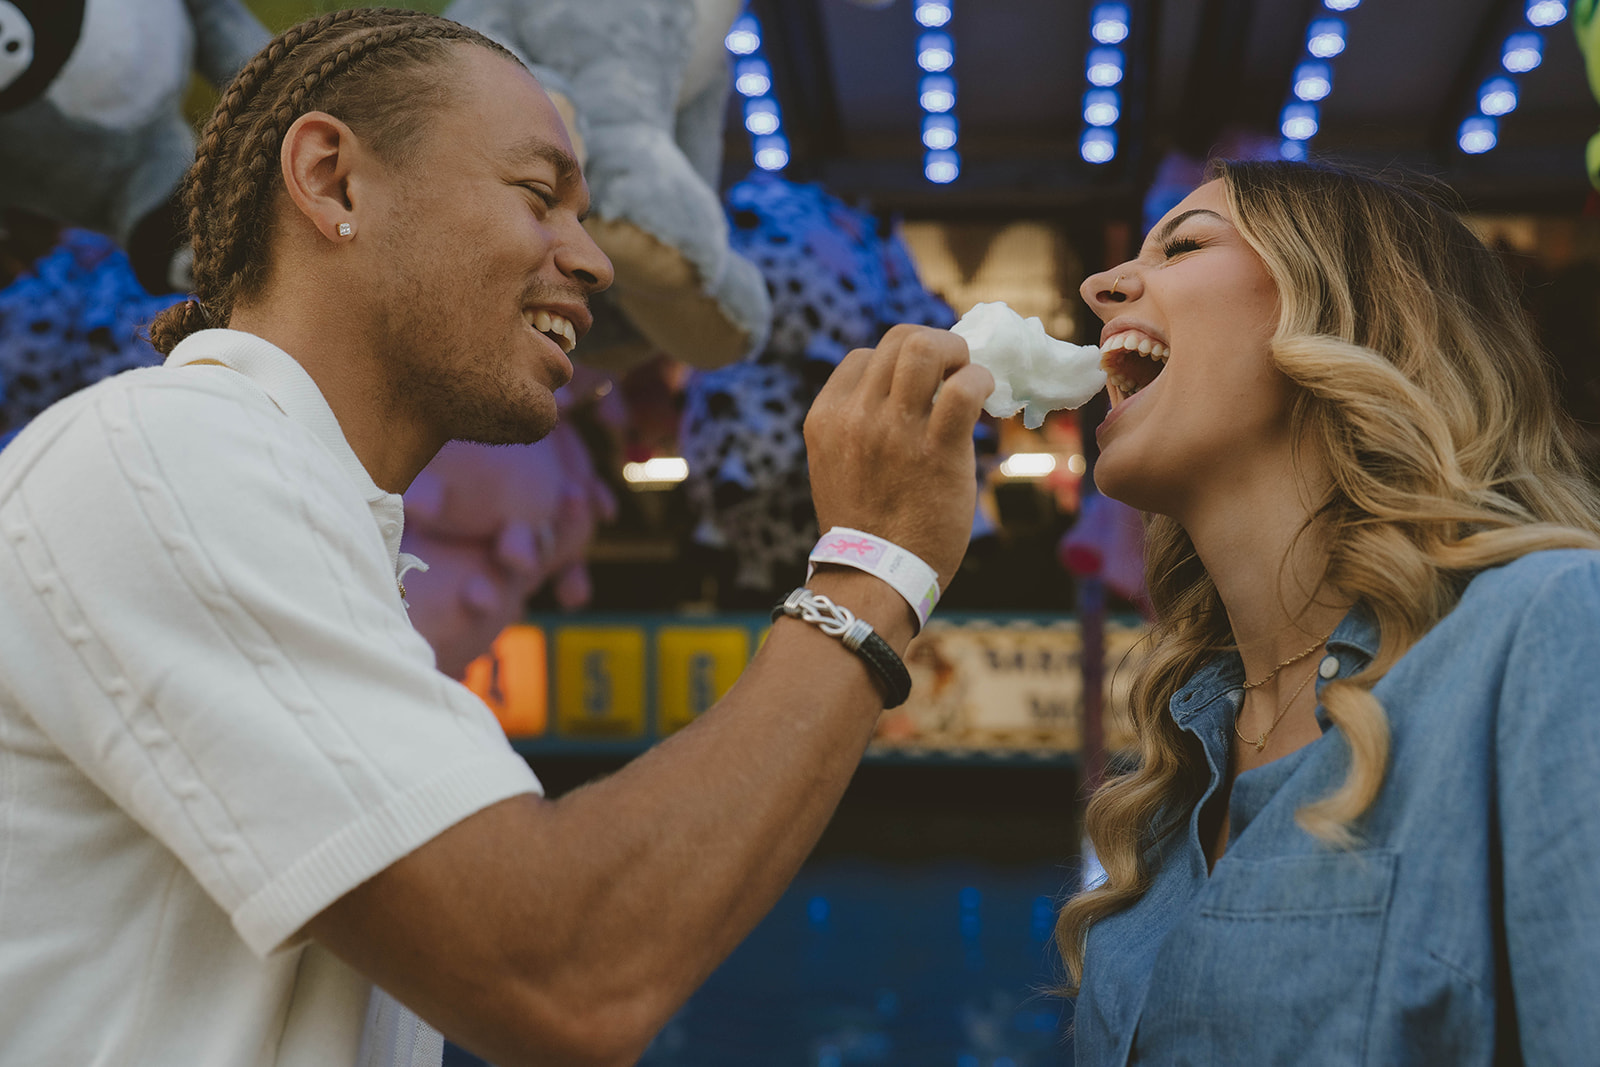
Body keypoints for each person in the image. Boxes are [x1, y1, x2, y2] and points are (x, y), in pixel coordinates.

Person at [0, 10, 992, 1067]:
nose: (592, 260)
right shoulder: (167, 456)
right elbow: (564, 971)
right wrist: (875, 563)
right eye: (539, 196)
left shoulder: (266, 491)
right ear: (333, 179)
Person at [1058, 159, 1600, 1064]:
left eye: (1185, 244)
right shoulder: (1173, 766)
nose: (1098, 286)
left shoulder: (1551, 627)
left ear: (1348, 310)